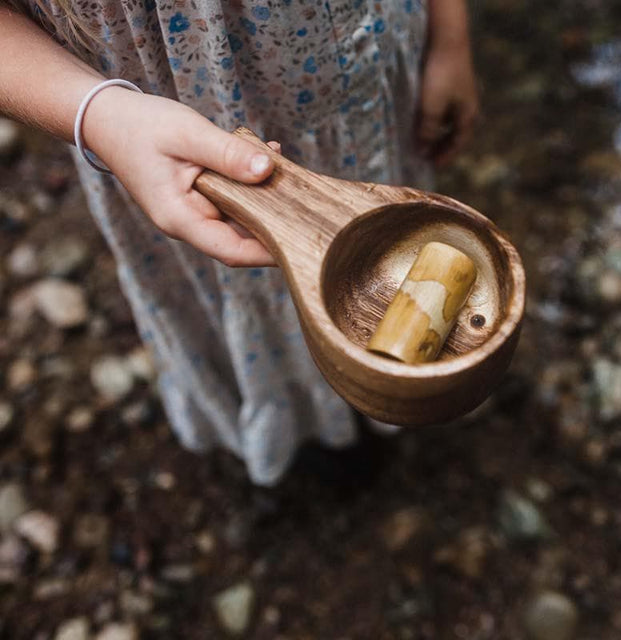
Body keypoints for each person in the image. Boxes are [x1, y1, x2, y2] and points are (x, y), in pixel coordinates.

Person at [0, 0, 479, 485]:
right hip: (167, 127)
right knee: (251, 296)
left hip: (376, 67)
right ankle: (303, 430)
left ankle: (372, 408)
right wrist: (99, 114)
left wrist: (450, 36)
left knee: (385, 245)